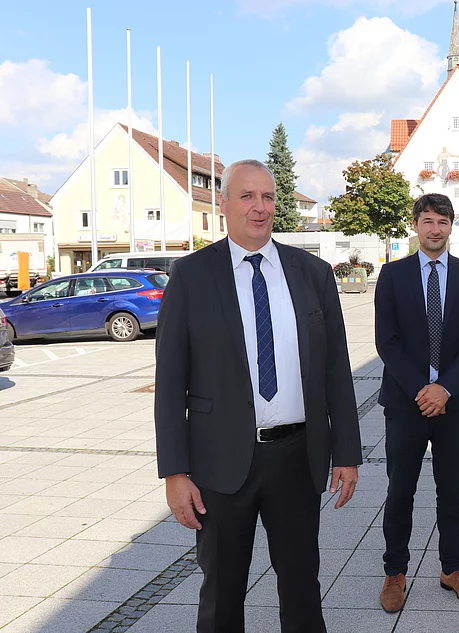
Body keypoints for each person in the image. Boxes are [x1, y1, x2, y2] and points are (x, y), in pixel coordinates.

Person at [154, 159, 362, 633]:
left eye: (267, 197)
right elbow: (169, 383)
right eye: (247, 196)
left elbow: (335, 371)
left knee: (302, 590)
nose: (259, 207)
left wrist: (347, 453)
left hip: (296, 459)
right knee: (222, 594)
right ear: (223, 204)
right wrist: (175, 472)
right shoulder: (191, 276)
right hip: (219, 465)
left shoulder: (312, 274)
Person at [375, 193, 459, 612]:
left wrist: (445, 389)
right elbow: (386, 340)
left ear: (452, 225)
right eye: (427, 221)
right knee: (399, 490)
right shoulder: (392, 275)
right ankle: (394, 573)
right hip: (406, 404)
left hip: (455, 404)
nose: (435, 229)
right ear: (416, 225)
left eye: (442, 221)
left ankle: (452, 569)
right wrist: (422, 389)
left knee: (452, 491)